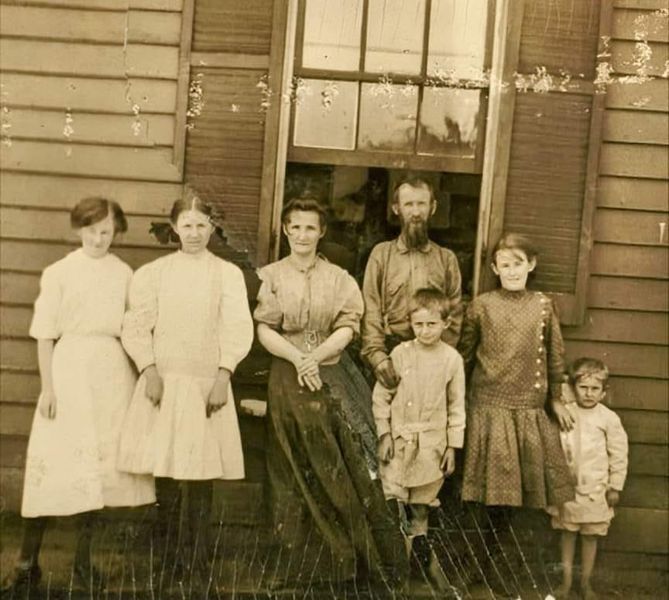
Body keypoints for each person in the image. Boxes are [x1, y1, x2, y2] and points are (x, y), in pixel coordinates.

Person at [1, 198, 156, 596]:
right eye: (92, 230)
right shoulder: (60, 273)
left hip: (110, 373)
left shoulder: (124, 273)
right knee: (54, 463)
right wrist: (49, 388)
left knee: (100, 471)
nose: (99, 238)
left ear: (116, 232)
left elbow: (134, 328)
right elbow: (45, 335)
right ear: (78, 229)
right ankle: (26, 561)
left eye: (107, 231)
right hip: (69, 371)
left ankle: (83, 563)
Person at [254, 198, 408, 588]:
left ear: (322, 232)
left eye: (310, 227)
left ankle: (341, 564)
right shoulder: (270, 275)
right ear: (285, 230)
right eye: (296, 227)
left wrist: (316, 356)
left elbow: (348, 326)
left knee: (333, 465)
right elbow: (264, 328)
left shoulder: (339, 278)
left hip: (330, 373)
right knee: (288, 468)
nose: (303, 234)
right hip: (287, 377)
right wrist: (298, 358)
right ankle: (292, 567)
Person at [116, 189, 253, 581]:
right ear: (175, 228)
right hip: (166, 382)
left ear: (213, 228)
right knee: (168, 472)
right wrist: (150, 370)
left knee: (200, 476)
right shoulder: (155, 274)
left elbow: (236, 326)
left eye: (201, 225)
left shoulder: (226, 275)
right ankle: (168, 564)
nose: (194, 233)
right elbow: (137, 326)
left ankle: (198, 565)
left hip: (205, 383)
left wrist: (224, 375)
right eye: (187, 225)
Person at [457, 232, 575, 596]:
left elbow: (555, 354)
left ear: (531, 265)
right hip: (488, 409)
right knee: (483, 501)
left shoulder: (543, 305)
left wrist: (556, 397)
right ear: (494, 268)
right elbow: (463, 354)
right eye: (504, 265)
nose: (511, 271)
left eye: (518, 264)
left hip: (527, 409)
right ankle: (470, 573)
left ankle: (507, 576)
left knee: (522, 502)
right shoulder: (481, 305)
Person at [372, 288, 465, 588]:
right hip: (399, 444)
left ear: (446, 323)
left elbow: (456, 406)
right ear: (410, 323)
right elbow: (381, 397)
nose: (425, 331)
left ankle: (421, 569)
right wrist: (384, 434)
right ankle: (397, 573)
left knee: (421, 507)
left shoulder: (451, 360)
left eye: (432, 324)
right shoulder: (400, 354)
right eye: (418, 324)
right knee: (395, 505)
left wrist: (453, 445)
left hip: (431, 447)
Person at [361, 174, 463, 389]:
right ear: (397, 208)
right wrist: (377, 356)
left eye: (421, 204)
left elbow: (454, 315)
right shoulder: (381, 255)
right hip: (390, 356)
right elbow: (370, 308)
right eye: (408, 204)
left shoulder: (446, 259)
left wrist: (439, 358)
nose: (415, 212)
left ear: (432, 207)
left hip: (433, 357)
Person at [548, 358, 628, 600]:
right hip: (568, 489)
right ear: (574, 388)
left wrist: (615, 486)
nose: (589, 393)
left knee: (590, 536)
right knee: (568, 534)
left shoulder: (608, 418)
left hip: (596, 490)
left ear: (604, 392)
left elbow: (619, 454)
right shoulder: (565, 413)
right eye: (583, 387)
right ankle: (566, 582)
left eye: (595, 389)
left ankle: (585, 583)